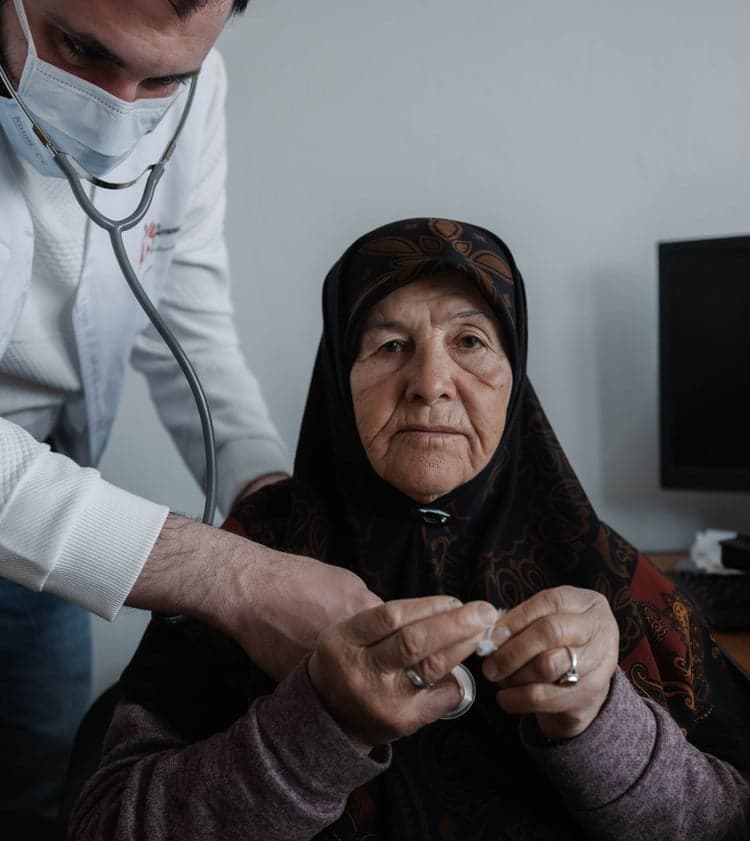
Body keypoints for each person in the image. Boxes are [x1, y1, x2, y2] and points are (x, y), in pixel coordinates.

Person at [69, 218, 750, 840]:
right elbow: (107, 825)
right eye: (390, 344)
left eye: (471, 341)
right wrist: (319, 723)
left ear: (516, 381)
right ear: (341, 376)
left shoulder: (603, 572)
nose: (430, 381)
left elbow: (727, 817)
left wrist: (597, 720)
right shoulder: (250, 562)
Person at [0, 1, 379, 835]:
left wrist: (275, 499)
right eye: (80, 48)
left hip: (53, 489)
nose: (120, 104)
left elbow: (185, 310)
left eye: (163, 77)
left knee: (31, 799)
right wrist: (231, 576)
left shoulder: (195, 88)